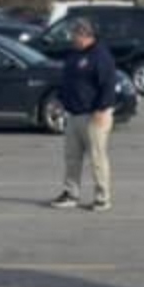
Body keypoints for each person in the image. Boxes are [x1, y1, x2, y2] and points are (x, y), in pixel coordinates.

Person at [50, 18, 116, 212]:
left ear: (86, 35)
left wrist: (102, 109)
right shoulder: (74, 55)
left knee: (97, 159)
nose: (72, 38)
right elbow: (67, 81)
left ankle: (102, 198)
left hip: (94, 115)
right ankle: (71, 194)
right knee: (72, 158)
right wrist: (60, 102)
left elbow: (108, 84)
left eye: (75, 34)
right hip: (74, 115)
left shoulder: (100, 55)